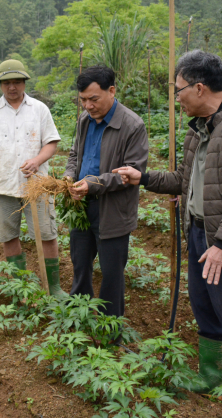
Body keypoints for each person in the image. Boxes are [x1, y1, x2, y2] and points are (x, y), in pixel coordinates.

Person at [115, 50, 222, 393]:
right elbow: (183, 180)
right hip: (201, 235)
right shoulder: (199, 129)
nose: (177, 98)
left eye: (178, 90)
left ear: (200, 88)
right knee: (205, 306)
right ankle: (212, 374)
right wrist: (141, 177)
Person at [0, 59, 67, 296]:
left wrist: (37, 161)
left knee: (46, 234)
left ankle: (53, 287)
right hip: (3, 186)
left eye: (16, 82)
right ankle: (21, 287)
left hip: (36, 186)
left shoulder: (39, 109)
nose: (12, 87)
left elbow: (51, 143)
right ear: (0, 85)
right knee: (8, 235)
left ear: (24, 82)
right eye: (7, 82)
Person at [64, 66, 148, 322]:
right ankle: (79, 314)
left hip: (113, 210)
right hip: (81, 206)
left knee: (111, 273)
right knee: (80, 264)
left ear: (111, 91)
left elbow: (131, 173)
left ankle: (110, 328)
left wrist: (94, 184)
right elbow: (74, 154)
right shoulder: (83, 121)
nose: (88, 106)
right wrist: (70, 176)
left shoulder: (132, 125)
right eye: (83, 100)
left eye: (93, 99)